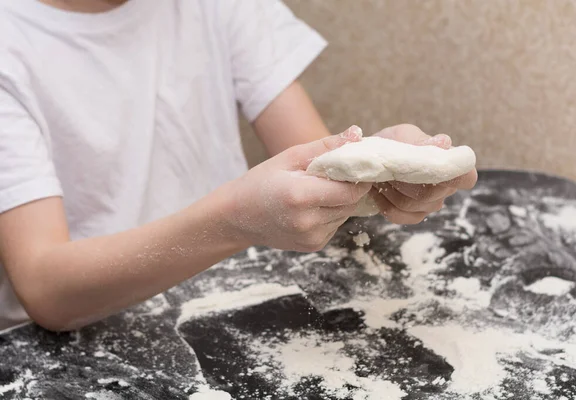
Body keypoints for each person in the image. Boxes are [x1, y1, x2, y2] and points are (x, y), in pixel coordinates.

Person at [0, 0, 477, 333]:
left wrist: (382, 169)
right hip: (81, 342)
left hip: (225, 301)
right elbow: (48, 291)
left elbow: (317, 161)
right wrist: (234, 219)